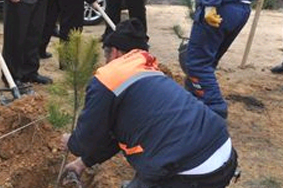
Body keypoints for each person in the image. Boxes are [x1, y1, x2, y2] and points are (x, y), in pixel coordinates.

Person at [62, 18, 238, 188]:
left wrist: (72, 142)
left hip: (189, 171)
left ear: (115, 52)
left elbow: (86, 140)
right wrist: (83, 163)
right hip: (223, 153)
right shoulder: (152, 73)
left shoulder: (109, 78)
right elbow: (116, 136)